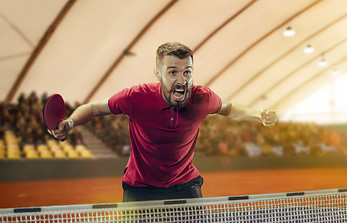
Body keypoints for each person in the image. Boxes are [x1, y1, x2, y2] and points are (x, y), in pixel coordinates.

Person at [48, 42, 277, 202]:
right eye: (173, 72)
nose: (182, 79)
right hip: (140, 187)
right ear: (158, 74)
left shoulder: (202, 98)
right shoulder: (135, 97)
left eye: (187, 72)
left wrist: (260, 116)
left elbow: (228, 108)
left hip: (184, 184)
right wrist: (69, 123)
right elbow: (95, 108)